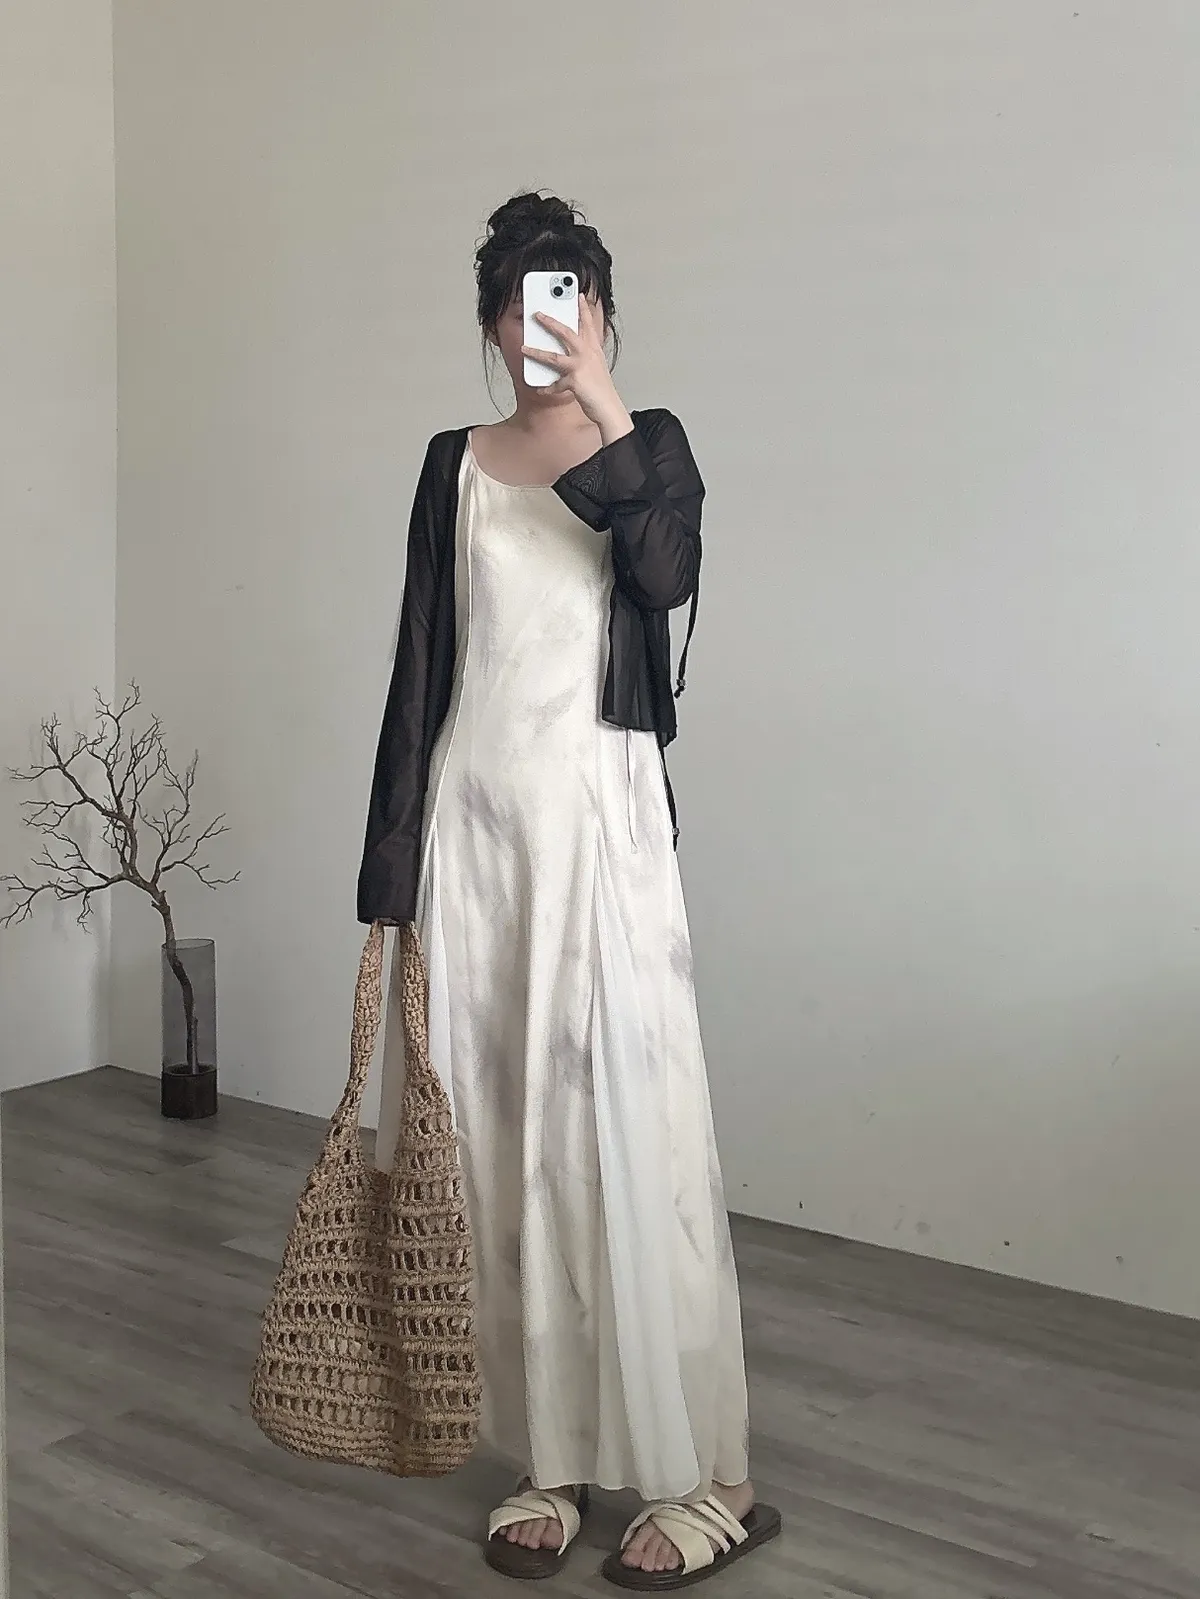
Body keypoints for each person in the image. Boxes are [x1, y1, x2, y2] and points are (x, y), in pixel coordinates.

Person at [356, 191, 780, 1589]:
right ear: (492, 324)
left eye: (574, 297)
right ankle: (549, 1454)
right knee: (501, 1145)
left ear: (602, 312)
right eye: (527, 302)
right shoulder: (455, 465)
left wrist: (603, 405)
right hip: (480, 839)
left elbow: (662, 577)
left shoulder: (648, 451)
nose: (548, 324)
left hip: (601, 832)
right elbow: (421, 668)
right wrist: (391, 875)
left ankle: (710, 1473)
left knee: (633, 1139)